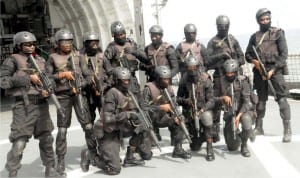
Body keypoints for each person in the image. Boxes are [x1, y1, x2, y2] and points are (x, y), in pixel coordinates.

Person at [1, 31, 59, 177]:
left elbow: (49, 78)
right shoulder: (12, 60)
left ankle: (50, 169)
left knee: (47, 138)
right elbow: (3, 82)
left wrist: (48, 89)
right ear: (19, 45)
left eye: (33, 44)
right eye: (27, 45)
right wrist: (27, 78)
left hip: (42, 104)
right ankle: (12, 171)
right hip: (23, 106)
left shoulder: (40, 59)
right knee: (19, 142)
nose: (31, 47)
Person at [45, 29, 94, 176]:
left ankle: (93, 153)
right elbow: (47, 77)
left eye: (69, 41)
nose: (67, 44)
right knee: (62, 130)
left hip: (78, 94)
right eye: (64, 42)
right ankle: (60, 161)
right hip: (62, 96)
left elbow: (87, 76)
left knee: (88, 126)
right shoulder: (52, 58)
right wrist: (61, 74)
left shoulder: (79, 56)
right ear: (58, 43)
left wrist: (81, 85)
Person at [90, 67, 152, 175]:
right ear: (116, 81)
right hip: (108, 132)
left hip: (120, 128)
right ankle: (93, 157)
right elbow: (108, 119)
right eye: (124, 80)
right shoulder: (112, 93)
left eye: (128, 80)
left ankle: (130, 156)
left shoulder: (128, 93)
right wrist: (126, 114)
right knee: (114, 169)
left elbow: (134, 111)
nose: (126, 82)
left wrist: (139, 118)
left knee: (144, 126)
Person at [245, 8, 291, 142]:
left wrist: (273, 69)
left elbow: (284, 55)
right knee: (261, 101)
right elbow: (247, 55)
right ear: (258, 21)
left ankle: (287, 129)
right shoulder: (254, 37)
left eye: (267, 19)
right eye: (262, 19)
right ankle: (259, 127)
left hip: (275, 72)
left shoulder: (278, 33)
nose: (265, 21)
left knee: (282, 100)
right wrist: (255, 62)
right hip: (260, 72)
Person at [206, 15, 245, 143]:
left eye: (225, 26)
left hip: (232, 77)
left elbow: (242, 58)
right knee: (216, 105)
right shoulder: (212, 42)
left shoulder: (233, 40)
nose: (223, 28)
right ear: (217, 26)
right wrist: (221, 56)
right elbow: (207, 61)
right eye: (221, 26)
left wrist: (234, 63)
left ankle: (235, 128)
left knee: (235, 103)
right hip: (219, 77)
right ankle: (215, 131)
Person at [141, 66, 191, 159]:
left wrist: (176, 116)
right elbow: (143, 108)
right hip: (149, 120)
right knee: (146, 156)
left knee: (180, 120)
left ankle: (178, 149)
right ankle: (140, 148)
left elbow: (174, 104)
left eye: (168, 79)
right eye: (164, 79)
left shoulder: (169, 89)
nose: (167, 81)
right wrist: (160, 107)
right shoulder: (148, 88)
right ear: (158, 78)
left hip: (162, 118)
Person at [78, 31, 111, 172]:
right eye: (92, 43)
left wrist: (103, 86)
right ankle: (92, 153)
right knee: (88, 126)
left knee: (106, 122)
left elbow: (110, 73)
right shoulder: (78, 58)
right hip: (86, 96)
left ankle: (108, 151)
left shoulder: (102, 57)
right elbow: (76, 76)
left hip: (101, 94)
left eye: (97, 42)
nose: (95, 45)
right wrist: (86, 83)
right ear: (85, 43)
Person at [141, 25, 179, 140]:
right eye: (152, 35)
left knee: (170, 106)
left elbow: (175, 67)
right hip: (152, 83)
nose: (154, 37)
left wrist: (165, 77)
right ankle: (155, 133)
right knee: (152, 107)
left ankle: (175, 133)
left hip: (165, 84)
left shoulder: (168, 48)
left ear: (161, 36)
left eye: (156, 35)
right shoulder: (148, 49)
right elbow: (144, 64)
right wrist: (146, 67)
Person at [176, 56, 216, 161]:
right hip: (190, 112)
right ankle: (183, 145)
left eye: (194, 67)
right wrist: (186, 101)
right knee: (194, 147)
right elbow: (177, 98)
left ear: (198, 67)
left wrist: (202, 110)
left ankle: (209, 147)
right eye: (189, 68)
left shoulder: (205, 79)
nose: (192, 70)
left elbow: (211, 100)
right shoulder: (184, 79)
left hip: (203, 110)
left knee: (207, 118)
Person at [217, 59, 255, 157]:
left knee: (246, 121)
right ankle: (241, 134)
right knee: (232, 147)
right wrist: (222, 98)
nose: (229, 75)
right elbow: (213, 98)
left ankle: (244, 144)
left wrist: (238, 117)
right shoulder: (220, 81)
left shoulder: (243, 81)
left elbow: (247, 102)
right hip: (229, 111)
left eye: (232, 73)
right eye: (227, 73)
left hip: (243, 109)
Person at [104, 20, 148, 98]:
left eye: (123, 34)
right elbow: (106, 63)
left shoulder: (131, 44)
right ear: (114, 36)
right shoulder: (111, 47)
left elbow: (145, 58)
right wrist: (114, 72)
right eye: (118, 35)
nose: (121, 36)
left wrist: (134, 52)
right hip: (120, 81)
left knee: (138, 100)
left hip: (132, 79)